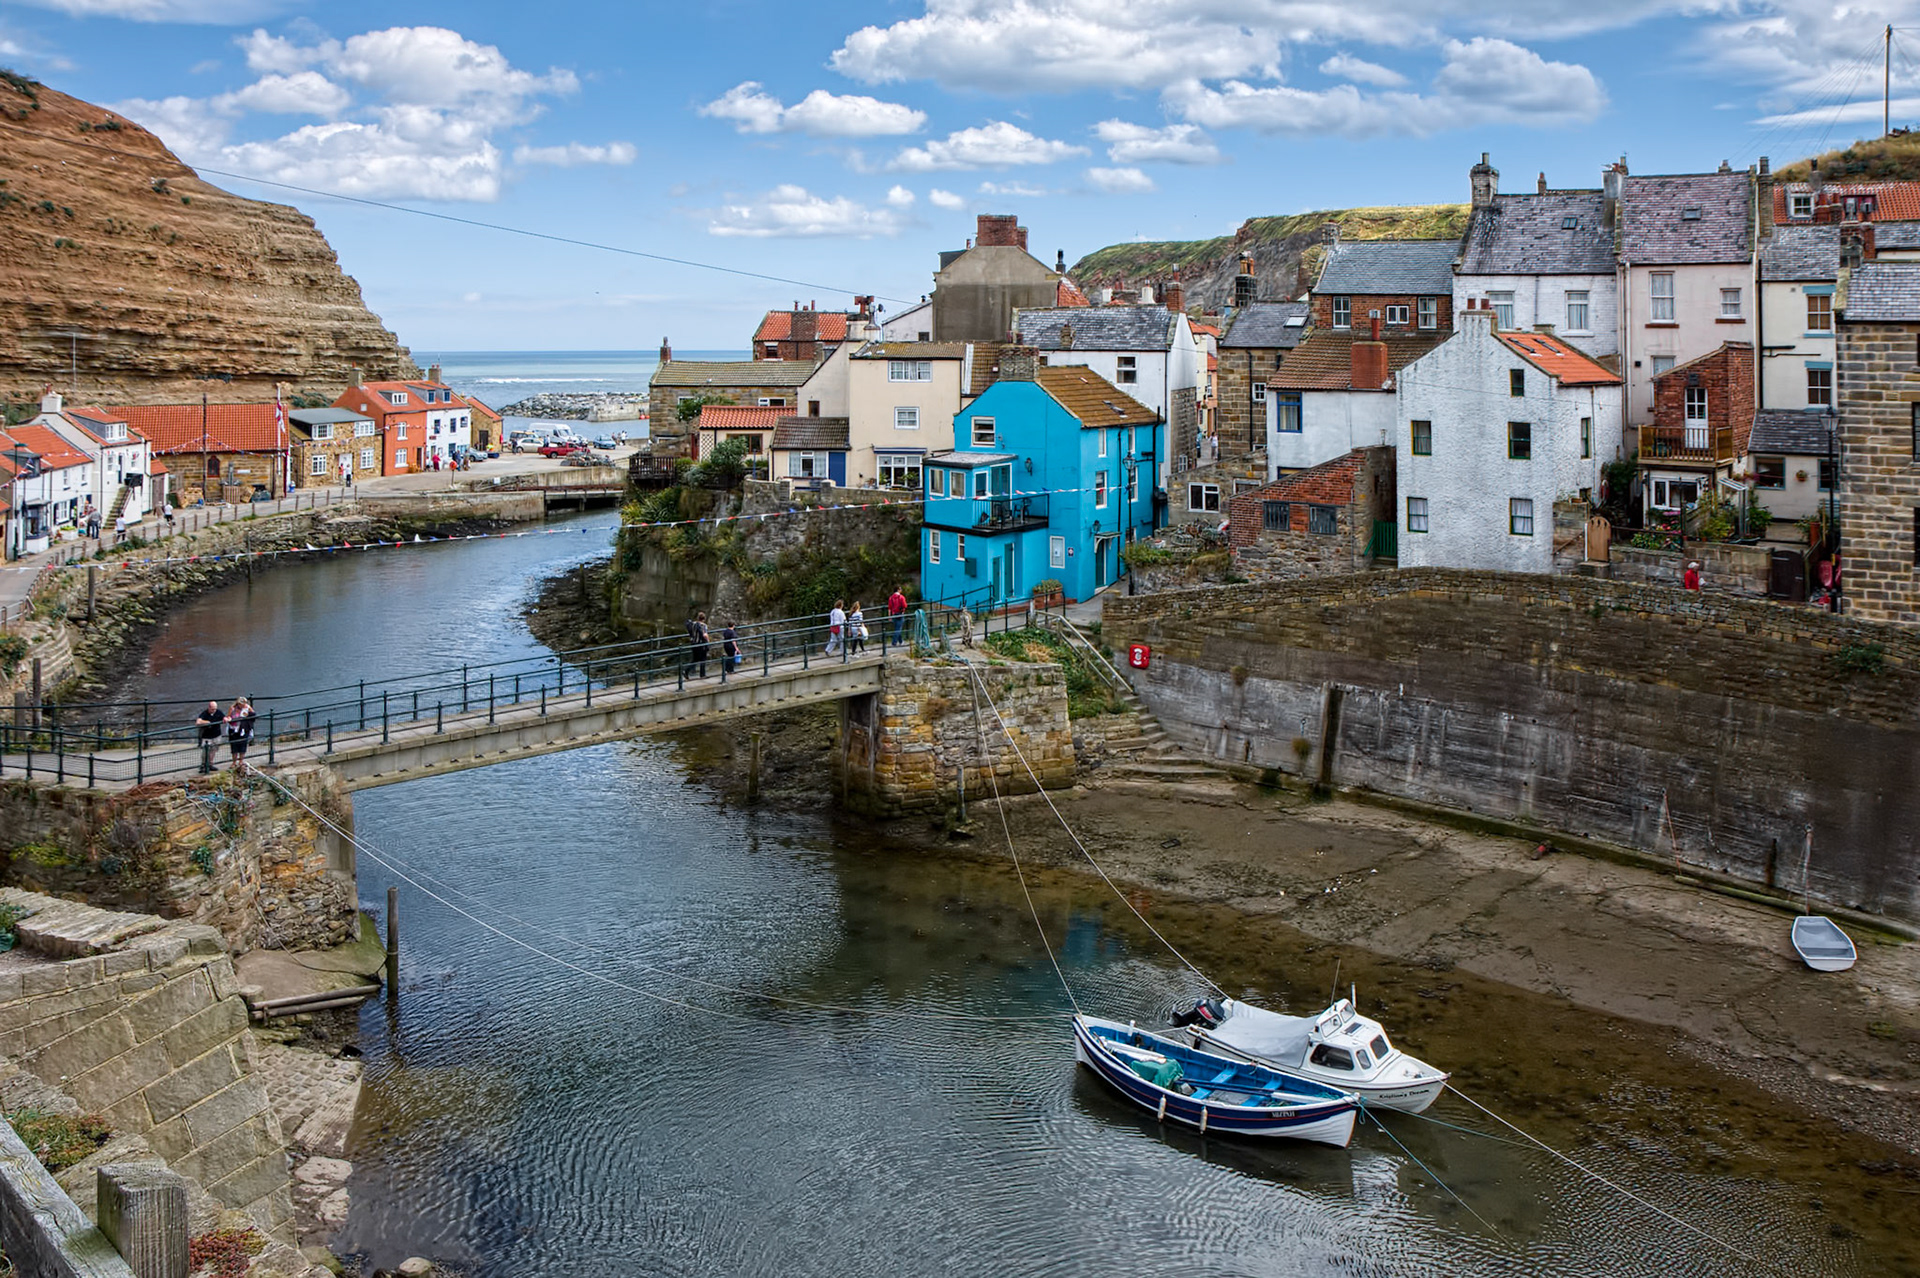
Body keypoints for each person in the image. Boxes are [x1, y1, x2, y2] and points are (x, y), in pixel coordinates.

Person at [225, 697, 255, 773]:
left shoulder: (248, 708)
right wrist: (227, 719)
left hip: (243, 729)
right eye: (241, 704)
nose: (242, 705)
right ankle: (234, 762)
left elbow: (253, 716)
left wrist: (248, 716)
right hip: (234, 728)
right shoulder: (232, 708)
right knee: (234, 745)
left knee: (242, 745)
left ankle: (241, 761)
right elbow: (228, 716)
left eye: (243, 703)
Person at [194, 700, 225, 775]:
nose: (214, 710)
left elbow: (224, 717)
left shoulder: (218, 712)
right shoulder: (204, 713)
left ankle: (210, 764)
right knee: (205, 752)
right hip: (207, 736)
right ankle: (203, 765)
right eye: (212, 709)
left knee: (214, 750)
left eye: (215, 709)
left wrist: (226, 719)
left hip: (216, 734)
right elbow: (198, 722)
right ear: (209, 707)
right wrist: (206, 722)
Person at [685, 611, 710, 678]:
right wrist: (708, 641)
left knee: (695, 659)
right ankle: (702, 674)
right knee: (703, 659)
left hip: (694, 643)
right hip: (701, 644)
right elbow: (705, 635)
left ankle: (686, 671)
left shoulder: (693, 624)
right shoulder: (703, 625)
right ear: (704, 619)